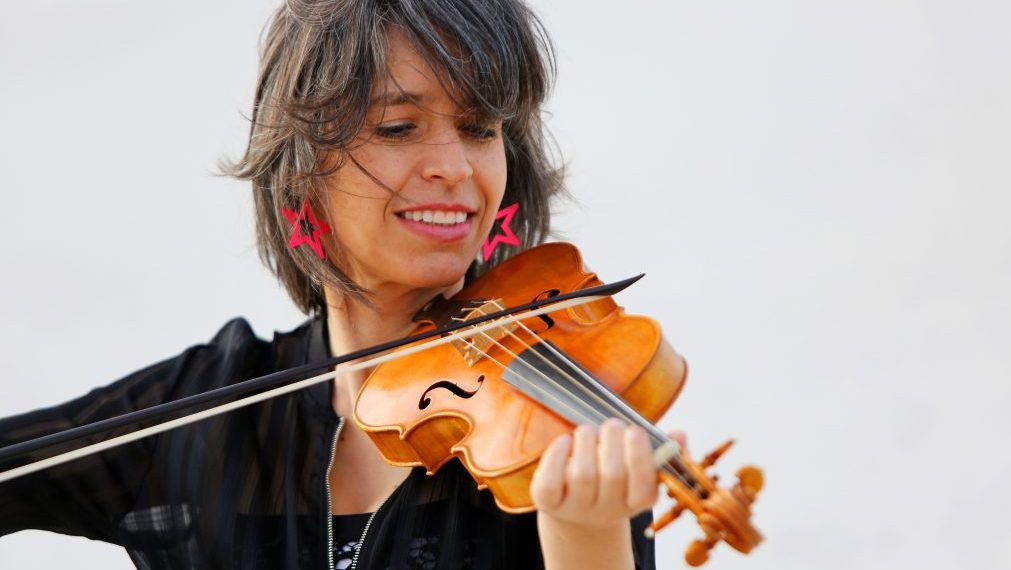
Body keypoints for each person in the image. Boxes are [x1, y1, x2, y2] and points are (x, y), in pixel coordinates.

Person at [0, 1, 660, 568]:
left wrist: (587, 536)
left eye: (479, 128)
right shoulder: (208, 414)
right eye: (398, 127)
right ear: (301, 169)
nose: (456, 167)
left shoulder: (551, 421)